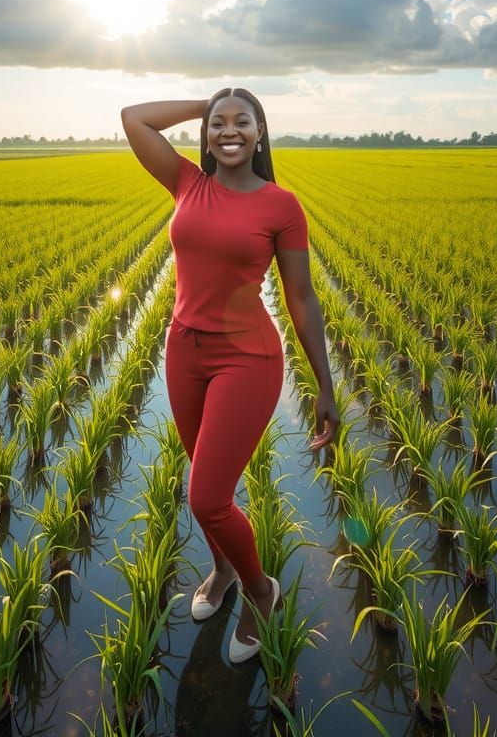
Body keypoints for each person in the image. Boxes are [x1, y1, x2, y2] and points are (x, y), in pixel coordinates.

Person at [120, 88, 339, 663]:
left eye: (243, 121)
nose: (229, 131)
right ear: (205, 133)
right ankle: (221, 571)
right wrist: (209, 100)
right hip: (183, 352)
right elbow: (133, 117)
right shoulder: (187, 182)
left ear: (261, 133)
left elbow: (303, 298)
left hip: (247, 359)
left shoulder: (281, 205)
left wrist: (326, 385)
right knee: (204, 478)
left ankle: (260, 592)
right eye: (219, 123)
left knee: (208, 497)